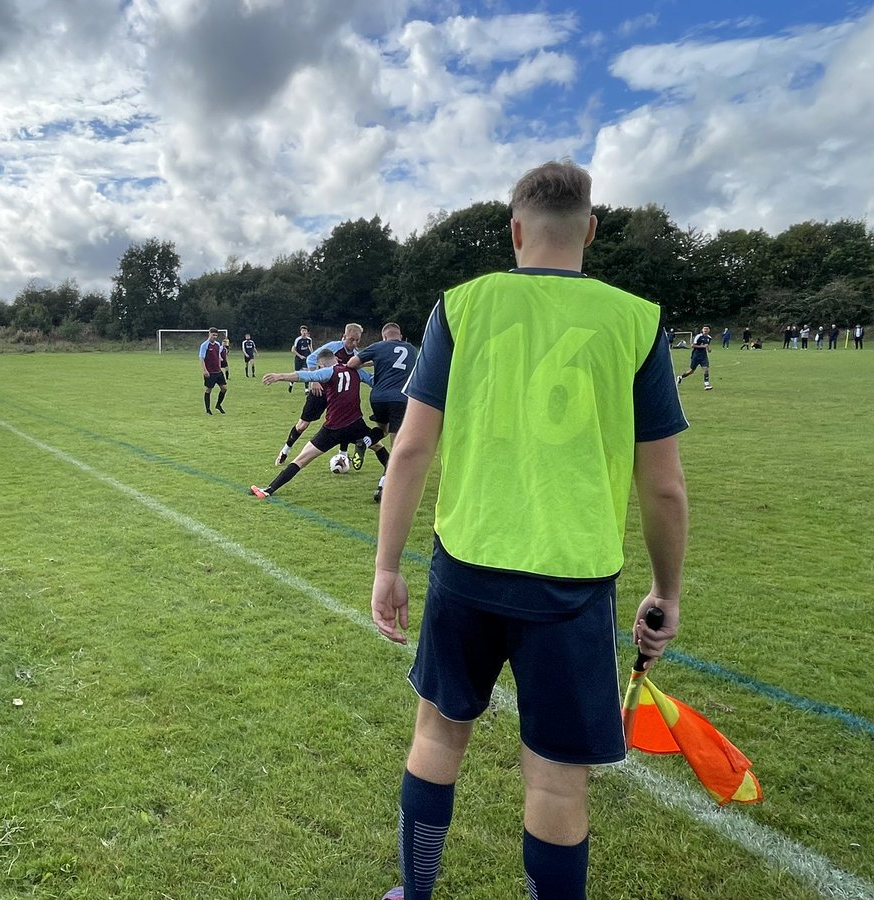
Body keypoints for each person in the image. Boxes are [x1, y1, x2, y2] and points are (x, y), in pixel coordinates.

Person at [370, 161, 688, 900]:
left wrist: (388, 566)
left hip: (468, 563)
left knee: (436, 737)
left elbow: (411, 448)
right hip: (572, 581)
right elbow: (664, 485)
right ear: (591, 231)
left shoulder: (463, 304)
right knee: (555, 783)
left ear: (515, 231)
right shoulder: (637, 319)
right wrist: (667, 590)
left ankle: (414, 895)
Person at [250, 348, 383, 498]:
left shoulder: (328, 372)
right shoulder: (355, 371)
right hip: (355, 425)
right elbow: (374, 381)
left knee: (301, 460)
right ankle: (388, 478)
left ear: (321, 365)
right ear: (336, 359)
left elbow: (307, 376)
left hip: (332, 429)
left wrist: (280, 376)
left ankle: (268, 490)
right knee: (378, 445)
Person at [273, 323, 364, 466]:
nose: (354, 343)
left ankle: (343, 455)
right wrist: (314, 381)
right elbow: (310, 359)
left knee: (344, 421)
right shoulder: (334, 347)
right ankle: (286, 449)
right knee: (303, 425)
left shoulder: (356, 355)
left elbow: (360, 372)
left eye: (357, 340)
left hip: (338, 395)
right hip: (320, 391)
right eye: (351, 339)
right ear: (344, 336)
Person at [348, 322, 418, 502]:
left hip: (378, 397)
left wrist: (373, 360)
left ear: (384, 336)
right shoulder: (411, 349)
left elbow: (352, 363)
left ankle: (365, 441)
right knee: (396, 446)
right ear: (400, 336)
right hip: (400, 399)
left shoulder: (378, 347)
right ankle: (384, 486)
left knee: (382, 429)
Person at [199, 328, 227, 414]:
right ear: (209, 334)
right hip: (209, 372)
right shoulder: (204, 345)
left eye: (216, 335)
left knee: (224, 389)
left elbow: (218, 356)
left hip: (218, 371)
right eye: (213, 335)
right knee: (208, 390)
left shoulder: (218, 344)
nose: (214, 337)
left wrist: (219, 366)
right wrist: (205, 370)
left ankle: (218, 405)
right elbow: (201, 358)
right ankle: (208, 409)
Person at [677, 325, 713, 390]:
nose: (705, 330)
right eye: (704, 329)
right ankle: (680, 377)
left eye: (707, 329)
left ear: (709, 330)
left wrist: (708, 349)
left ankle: (706, 384)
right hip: (696, 355)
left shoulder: (709, 338)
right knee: (691, 371)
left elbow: (707, 345)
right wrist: (702, 347)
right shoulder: (698, 336)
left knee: (706, 369)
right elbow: (692, 345)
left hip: (703, 356)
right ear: (702, 330)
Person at [290, 325, 313, 392]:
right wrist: (300, 356)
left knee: (306, 372)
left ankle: (306, 389)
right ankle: (291, 383)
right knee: (296, 372)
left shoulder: (309, 339)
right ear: (300, 332)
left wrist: (312, 355)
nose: (304, 332)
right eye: (302, 331)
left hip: (306, 358)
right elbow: (293, 350)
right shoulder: (298, 340)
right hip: (298, 358)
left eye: (305, 331)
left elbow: (310, 348)